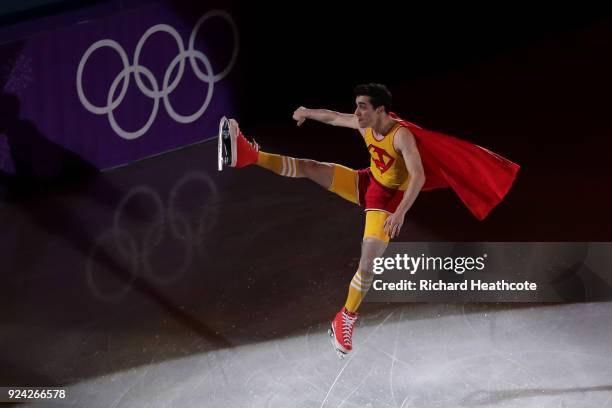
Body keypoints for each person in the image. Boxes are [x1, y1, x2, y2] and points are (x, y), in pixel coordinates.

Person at [217, 83, 519, 358]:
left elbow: (418, 176)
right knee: (310, 167)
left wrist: (400, 213)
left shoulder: (401, 136)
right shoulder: (365, 125)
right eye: (357, 105)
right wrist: (307, 112)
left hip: (388, 202)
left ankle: (345, 318)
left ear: (380, 111)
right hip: (368, 182)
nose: (357, 111)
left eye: (363, 106)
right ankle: (247, 156)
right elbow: (334, 117)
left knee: (368, 261)